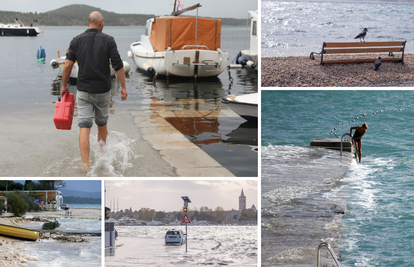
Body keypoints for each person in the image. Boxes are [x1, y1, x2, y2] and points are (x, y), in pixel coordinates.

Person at [60, 11, 127, 172]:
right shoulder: (109, 40)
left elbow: (68, 65)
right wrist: (124, 87)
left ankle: (85, 165)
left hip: (83, 91)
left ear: (87, 23)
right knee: (102, 125)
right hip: (103, 91)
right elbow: (118, 65)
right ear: (101, 23)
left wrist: (64, 85)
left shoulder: (76, 40)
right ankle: (103, 158)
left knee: (84, 126)